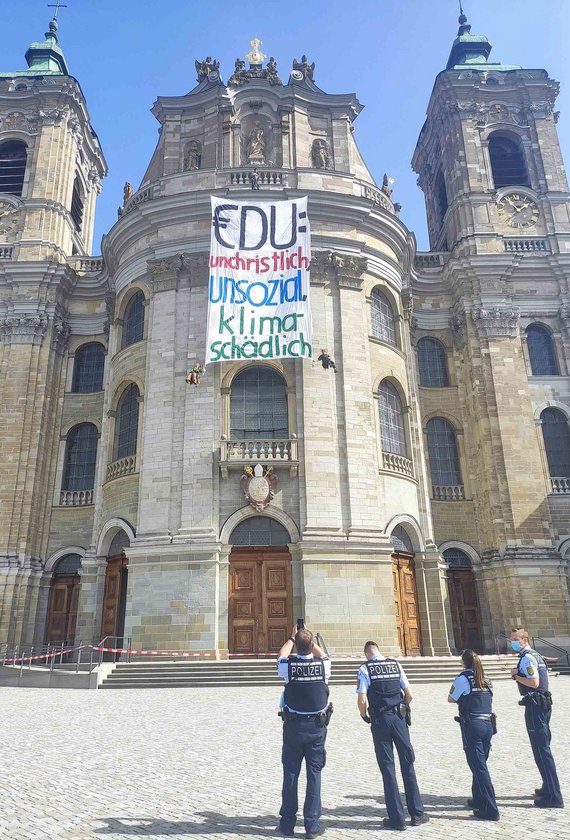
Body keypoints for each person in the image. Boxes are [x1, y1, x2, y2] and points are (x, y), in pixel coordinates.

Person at [357, 641, 428, 831]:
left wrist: (364, 715)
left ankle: (396, 819)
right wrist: (403, 707)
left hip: (380, 720)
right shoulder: (395, 664)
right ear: (379, 650)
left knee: (388, 768)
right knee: (408, 763)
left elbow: (362, 698)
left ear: (366, 654)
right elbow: (410, 694)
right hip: (399, 718)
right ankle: (417, 813)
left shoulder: (365, 668)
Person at [276, 626, 332, 839]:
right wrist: (308, 638)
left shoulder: (288, 666)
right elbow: (324, 655)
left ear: (296, 646)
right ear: (311, 645)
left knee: (290, 774)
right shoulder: (323, 665)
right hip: (317, 728)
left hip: (293, 727)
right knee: (314, 775)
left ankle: (287, 824)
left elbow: (281, 654)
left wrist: (292, 637)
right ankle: (312, 825)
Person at [509, 627, 564, 808]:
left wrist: (516, 675)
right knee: (543, 747)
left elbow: (534, 682)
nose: (513, 643)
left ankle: (553, 796)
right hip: (543, 704)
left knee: (541, 750)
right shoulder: (537, 656)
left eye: (515, 639)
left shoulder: (527, 658)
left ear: (525, 639)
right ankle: (548, 786)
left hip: (535, 705)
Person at [448, 650, 499, 821]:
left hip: (473, 725)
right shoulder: (487, 679)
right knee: (480, 763)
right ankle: (478, 798)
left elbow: (451, 698)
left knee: (479, 767)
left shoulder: (463, 679)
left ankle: (490, 808)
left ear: (463, 662)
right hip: (488, 725)